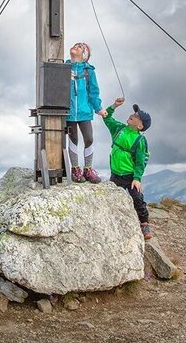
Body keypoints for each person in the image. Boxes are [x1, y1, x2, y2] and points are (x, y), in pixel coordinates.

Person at [99, 97, 153, 239]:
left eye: (137, 116)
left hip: (130, 176)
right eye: (134, 113)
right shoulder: (119, 129)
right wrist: (114, 106)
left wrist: (137, 178)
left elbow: (140, 161)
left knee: (137, 199)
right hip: (115, 174)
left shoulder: (140, 140)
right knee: (112, 199)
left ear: (140, 126)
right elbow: (107, 117)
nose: (133, 115)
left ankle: (144, 224)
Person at [66, 42, 105, 183]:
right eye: (75, 45)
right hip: (69, 112)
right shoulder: (64, 67)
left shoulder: (89, 72)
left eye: (79, 47)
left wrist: (98, 108)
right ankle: (75, 170)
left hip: (84, 111)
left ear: (84, 55)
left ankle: (88, 169)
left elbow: (93, 92)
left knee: (89, 138)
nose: (75, 46)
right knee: (73, 139)